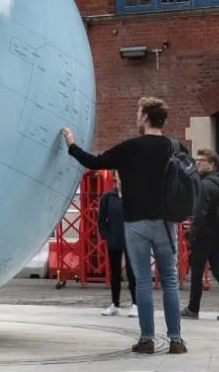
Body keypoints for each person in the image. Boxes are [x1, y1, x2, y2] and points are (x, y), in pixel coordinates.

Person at [61, 96, 187, 355]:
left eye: (138, 112)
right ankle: (176, 340)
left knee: (142, 282)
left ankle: (147, 339)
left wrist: (71, 144)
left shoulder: (131, 148)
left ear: (144, 117)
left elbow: (93, 162)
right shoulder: (176, 147)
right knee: (170, 281)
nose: (136, 116)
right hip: (166, 223)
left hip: (136, 222)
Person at [181, 148, 219, 322]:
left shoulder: (205, 184)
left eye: (202, 160)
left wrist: (192, 234)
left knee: (197, 272)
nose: (197, 163)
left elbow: (200, 213)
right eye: (197, 160)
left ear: (211, 164)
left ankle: (193, 309)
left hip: (204, 234)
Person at [98, 171, 137, 318]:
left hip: (132, 241)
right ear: (116, 177)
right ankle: (115, 304)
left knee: (133, 273)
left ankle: (135, 304)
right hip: (114, 241)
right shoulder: (108, 197)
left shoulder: (134, 197)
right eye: (120, 174)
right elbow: (101, 220)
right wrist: (107, 236)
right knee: (115, 273)